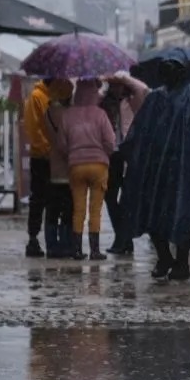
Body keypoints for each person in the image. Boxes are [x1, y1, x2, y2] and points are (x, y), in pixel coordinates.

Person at [120, 51, 190, 282]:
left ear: (183, 70)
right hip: (157, 169)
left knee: (183, 216)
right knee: (154, 216)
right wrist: (131, 153)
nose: (168, 72)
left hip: (186, 169)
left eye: (173, 67)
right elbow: (140, 131)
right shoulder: (156, 98)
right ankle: (164, 257)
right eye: (165, 67)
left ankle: (182, 262)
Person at [59, 79, 116, 261]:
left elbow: (61, 144)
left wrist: (72, 154)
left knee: (78, 208)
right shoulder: (100, 114)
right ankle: (94, 250)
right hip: (99, 165)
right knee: (95, 209)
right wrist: (103, 154)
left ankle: (76, 250)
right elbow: (110, 141)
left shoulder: (67, 115)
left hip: (76, 165)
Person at [99, 72, 149, 256]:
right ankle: (123, 238)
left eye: (119, 84)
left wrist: (124, 78)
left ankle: (123, 240)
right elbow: (93, 97)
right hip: (111, 154)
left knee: (127, 199)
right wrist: (106, 82)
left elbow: (143, 88)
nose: (116, 88)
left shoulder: (133, 101)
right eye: (113, 85)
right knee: (110, 197)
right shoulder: (104, 102)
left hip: (130, 153)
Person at [43, 79, 76, 259]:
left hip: (53, 165)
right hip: (69, 168)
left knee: (52, 209)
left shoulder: (47, 113)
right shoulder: (69, 115)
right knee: (68, 209)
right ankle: (66, 245)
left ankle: (51, 246)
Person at [23, 78, 55, 258]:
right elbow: (34, 129)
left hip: (54, 157)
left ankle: (51, 240)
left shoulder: (54, 96)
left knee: (52, 199)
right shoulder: (36, 97)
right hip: (41, 156)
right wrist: (47, 149)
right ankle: (33, 238)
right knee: (38, 199)